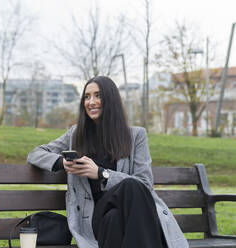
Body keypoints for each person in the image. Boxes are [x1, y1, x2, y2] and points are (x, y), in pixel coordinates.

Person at [27, 76, 189, 248]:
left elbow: (145, 184)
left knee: (116, 216)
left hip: (123, 216)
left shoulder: (135, 136)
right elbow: (35, 154)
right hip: (93, 217)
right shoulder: (76, 134)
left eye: (98, 95)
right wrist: (61, 162)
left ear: (110, 99)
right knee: (130, 186)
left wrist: (101, 173)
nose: (91, 102)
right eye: (87, 97)